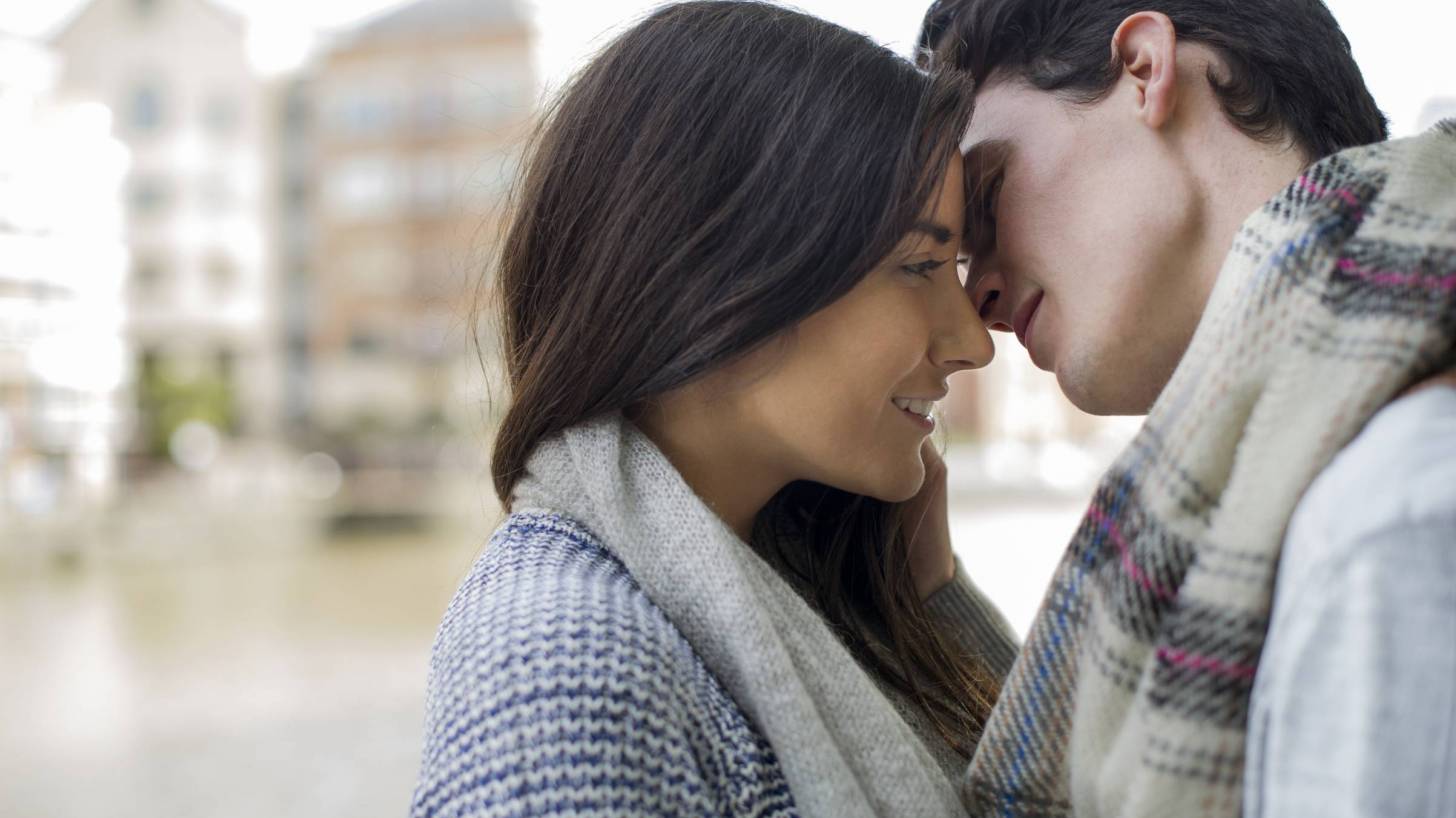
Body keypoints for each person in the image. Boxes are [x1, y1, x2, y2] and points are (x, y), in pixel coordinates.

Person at [409, 3, 1020, 816]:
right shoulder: (563, 666)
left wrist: (933, 596)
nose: (972, 343)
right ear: (720, 272)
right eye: (918, 266)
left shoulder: (806, 593)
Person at [917, 1, 1456, 816]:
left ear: (1143, 70)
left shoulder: (1392, 510)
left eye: (990, 199)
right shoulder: (1277, 491)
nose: (976, 296)